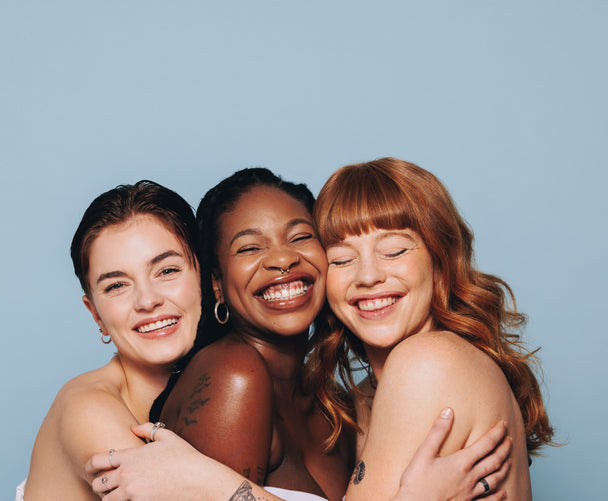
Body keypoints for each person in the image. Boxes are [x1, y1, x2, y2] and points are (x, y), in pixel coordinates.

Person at [88, 168, 513, 501]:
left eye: (301, 237)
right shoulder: (234, 375)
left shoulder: (342, 405)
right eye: (250, 248)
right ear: (216, 283)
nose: (282, 260)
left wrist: (208, 484)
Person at [309, 158, 555, 500]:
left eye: (394, 251)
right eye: (341, 260)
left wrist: (207, 477)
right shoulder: (367, 395)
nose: (367, 276)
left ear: (439, 259)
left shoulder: (426, 362)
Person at [18, 180, 203, 501]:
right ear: (96, 315)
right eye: (117, 286)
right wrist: (210, 479)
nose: (147, 301)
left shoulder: (224, 384)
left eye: (167, 270)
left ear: (208, 278)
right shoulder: (88, 408)